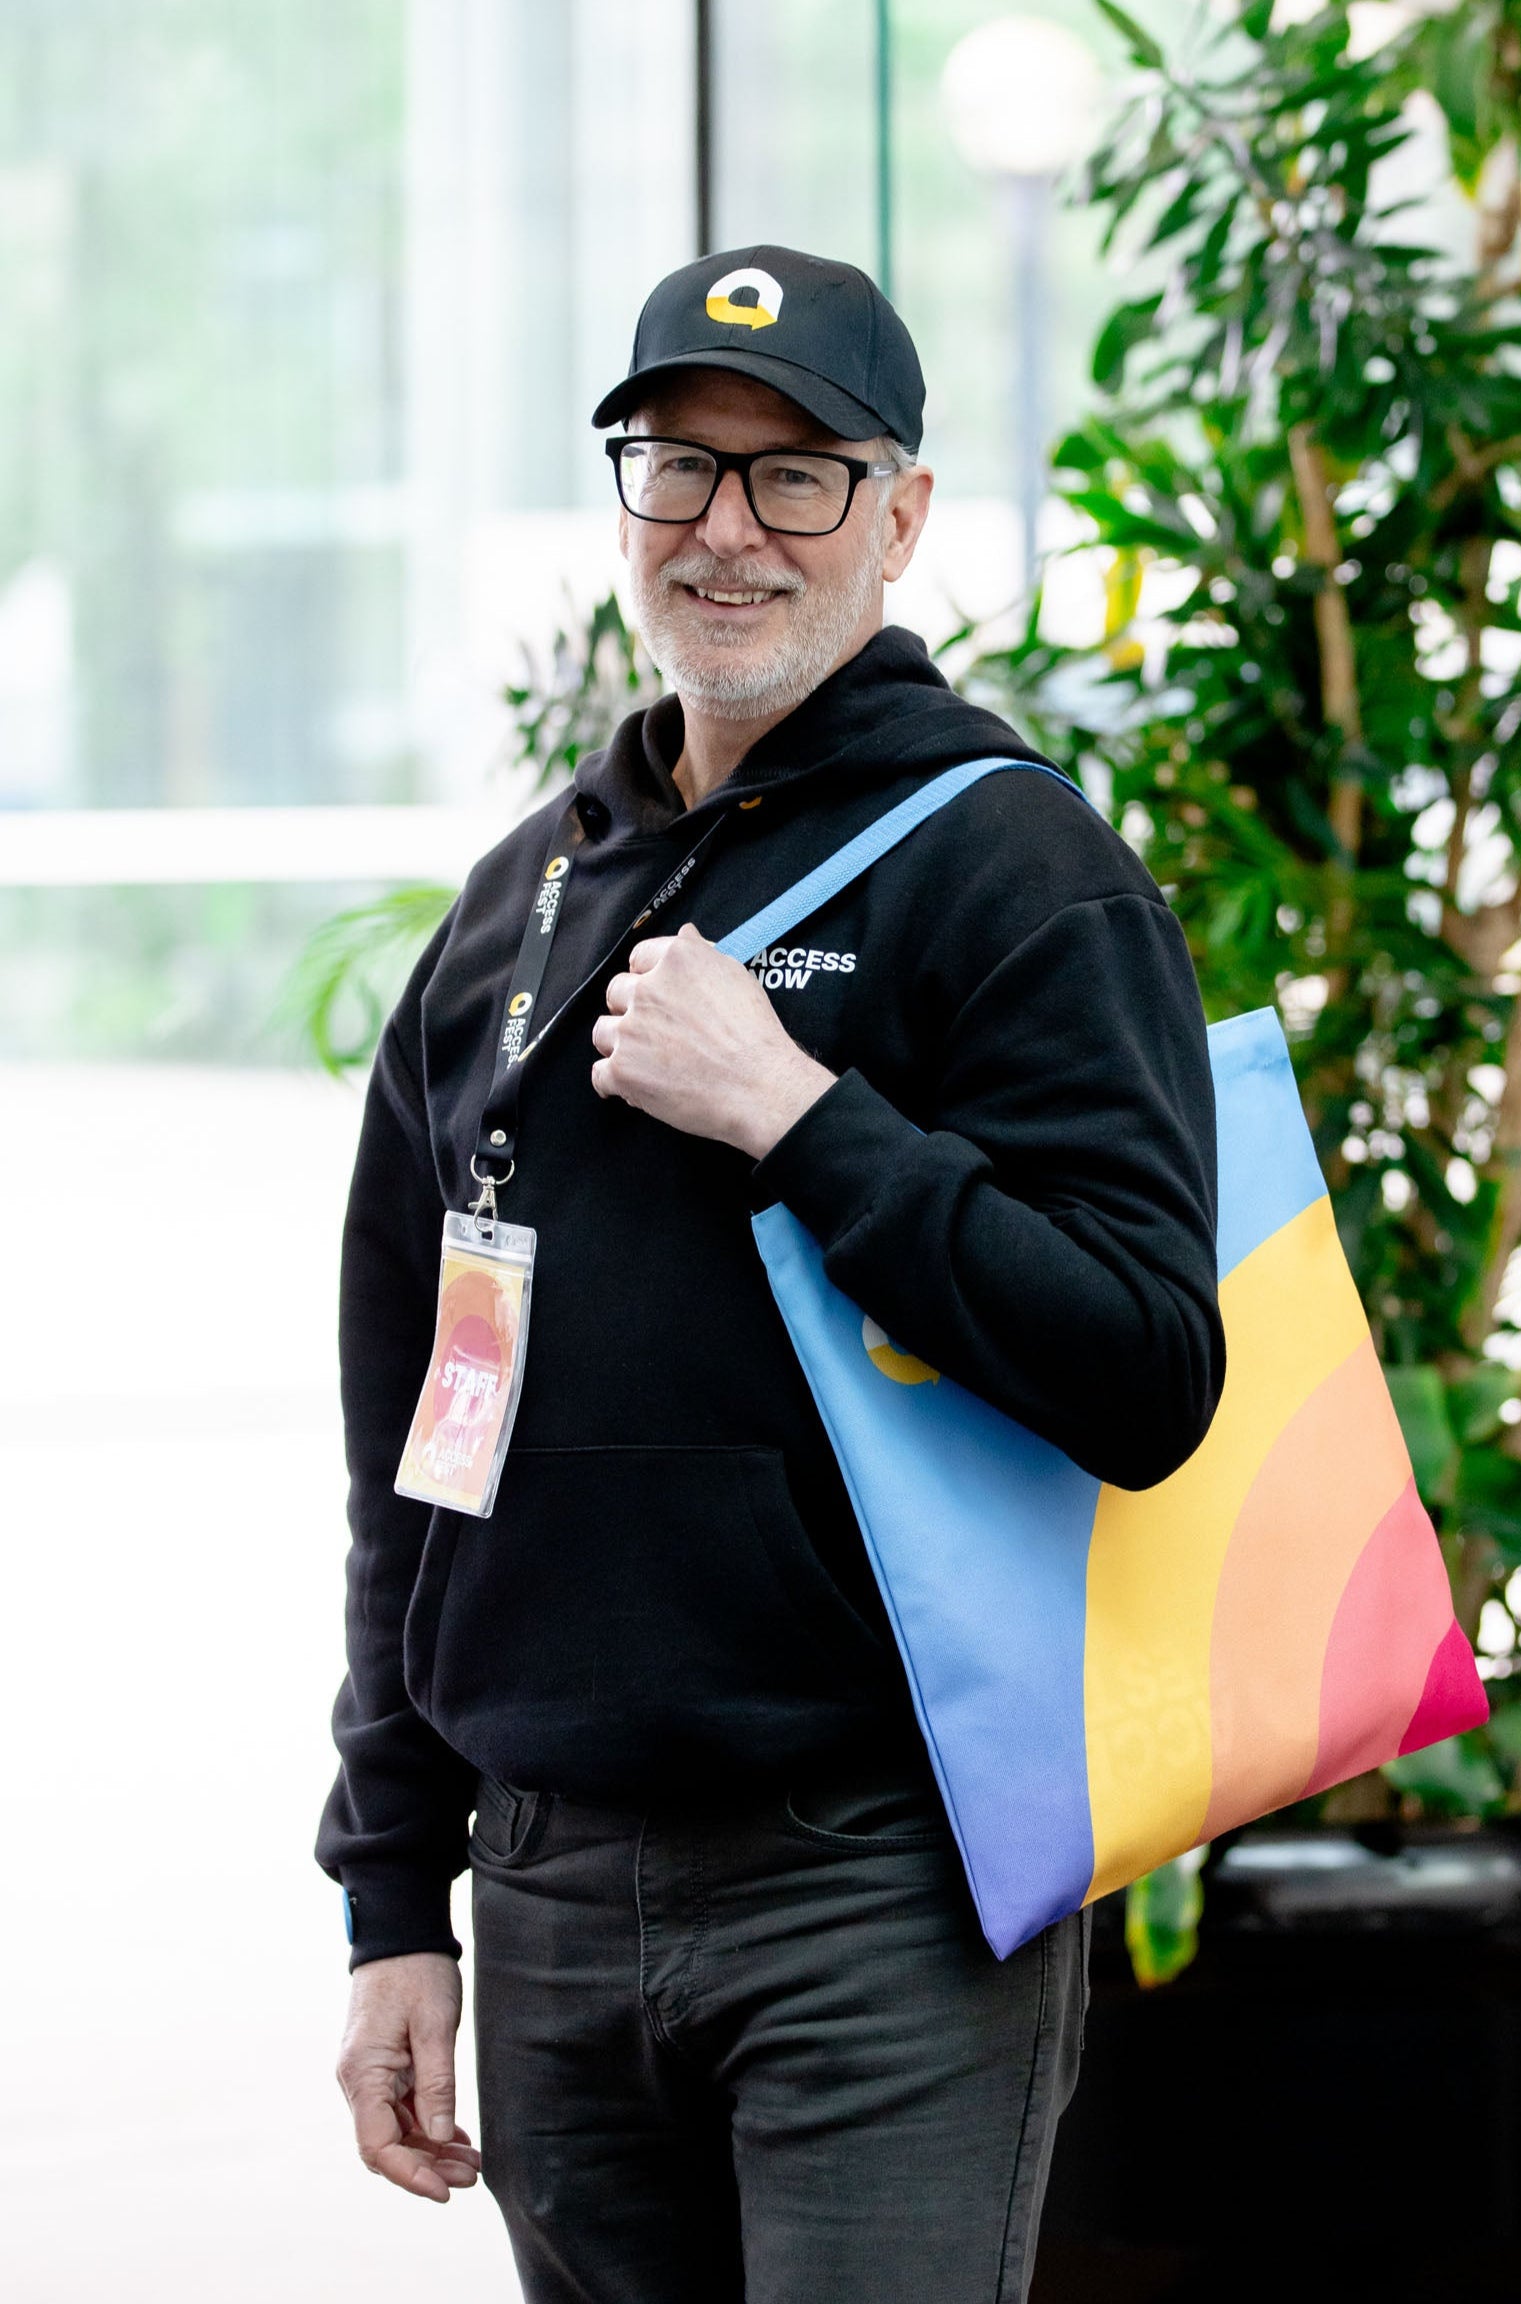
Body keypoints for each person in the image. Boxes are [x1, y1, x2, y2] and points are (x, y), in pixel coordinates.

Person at [318, 243, 1223, 2303]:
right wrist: (391, 1898)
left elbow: (1146, 1367)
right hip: (543, 1880)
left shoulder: (1011, 866)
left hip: (872, 1878)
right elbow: (416, 1448)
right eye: (678, 466)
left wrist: (802, 1119)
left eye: (796, 472)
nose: (727, 528)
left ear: (898, 517)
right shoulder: (518, 909)